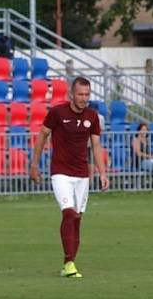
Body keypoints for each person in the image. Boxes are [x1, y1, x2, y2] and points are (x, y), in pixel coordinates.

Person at [30, 76, 109, 278]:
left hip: (82, 175)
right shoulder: (57, 112)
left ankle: (70, 263)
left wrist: (102, 173)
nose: (84, 98)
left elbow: (97, 146)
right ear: (71, 94)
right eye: (80, 94)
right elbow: (41, 137)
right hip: (60, 172)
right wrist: (34, 165)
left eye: (87, 94)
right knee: (68, 213)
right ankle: (69, 263)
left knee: (77, 219)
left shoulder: (92, 116)